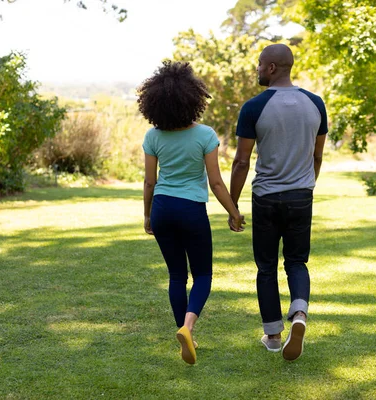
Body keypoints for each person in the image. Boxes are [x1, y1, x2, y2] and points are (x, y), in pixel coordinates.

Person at [139, 61, 244, 365]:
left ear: (155, 102)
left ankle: (185, 334)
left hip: (162, 208)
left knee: (176, 276)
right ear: (192, 99)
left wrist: (147, 216)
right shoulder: (205, 135)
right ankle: (188, 327)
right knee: (203, 275)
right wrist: (234, 212)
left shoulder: (153, 137)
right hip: (191, 209)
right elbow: (215, 182)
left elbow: (149, 182)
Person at [229, 44, 328, 361]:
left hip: (266, 198)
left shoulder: (254, 107)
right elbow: (317, 155)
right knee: (297, 262)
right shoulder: (315, 104)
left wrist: (233, 205)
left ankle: (273, 335)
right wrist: (306, 184)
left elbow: (241, 162)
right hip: (302, 196)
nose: (257, 69)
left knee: (266, 266)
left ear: (271, 67)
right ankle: (299, 314)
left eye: (259, 64)